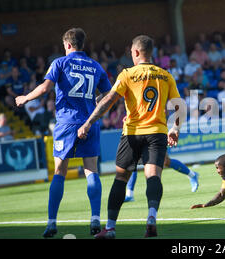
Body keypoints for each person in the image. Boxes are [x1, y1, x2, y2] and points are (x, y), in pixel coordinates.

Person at [77, 35, 181, 239]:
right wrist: (175, 128)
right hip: (157, 133)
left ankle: (111, 228)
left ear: (135, 52)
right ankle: (151, 217)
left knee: (121, 178)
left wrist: (89, 122)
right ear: (151, 53)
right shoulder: (165, 75)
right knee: (153, 177)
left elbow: (108, 101)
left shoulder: (127, 74)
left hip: (132, 134)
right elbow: (179, 106)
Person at [15, 28, 112, 237]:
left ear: (68, 45)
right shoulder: (95, 66)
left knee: (59, 171)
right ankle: (95, 219)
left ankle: (51, 223)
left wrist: (25, 98)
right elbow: (109, 94)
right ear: (82, 45)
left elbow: (45, 88)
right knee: (91, 170)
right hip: (90, 122)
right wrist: (95, 105)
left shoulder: (60, 62)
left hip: (67, 123)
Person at [124, 154, 200, 202]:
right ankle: (130, 194)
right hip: (138, 135)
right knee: (131, 161)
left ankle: (192, 175)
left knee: (165, 161)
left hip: (154, 133)